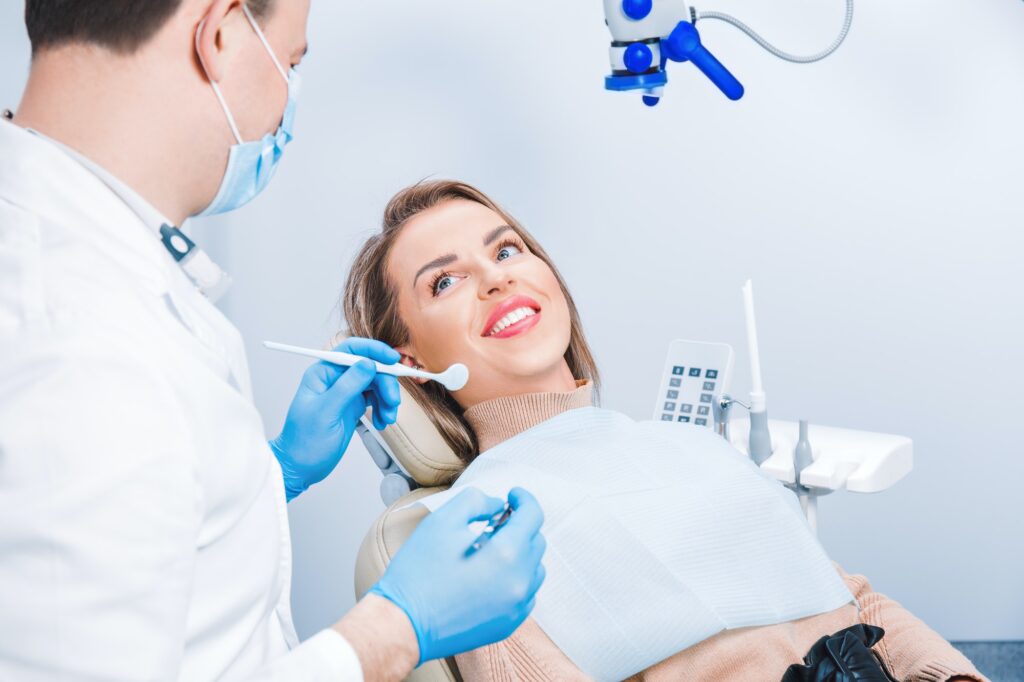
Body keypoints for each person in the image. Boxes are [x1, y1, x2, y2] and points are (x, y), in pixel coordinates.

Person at [0, 2, 547, 680]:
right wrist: (395, 631)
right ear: (222, 34)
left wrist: (271, 474)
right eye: (290, 62)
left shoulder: (90, 262)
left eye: (509, 250)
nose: (286, 105)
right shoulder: (71, 338)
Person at [339, 179, 987, 682]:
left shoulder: (689, 447)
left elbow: (850, 600)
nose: (495, 277)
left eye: (507, 249)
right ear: (410, 362)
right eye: (446, 281)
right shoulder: (477, 531)